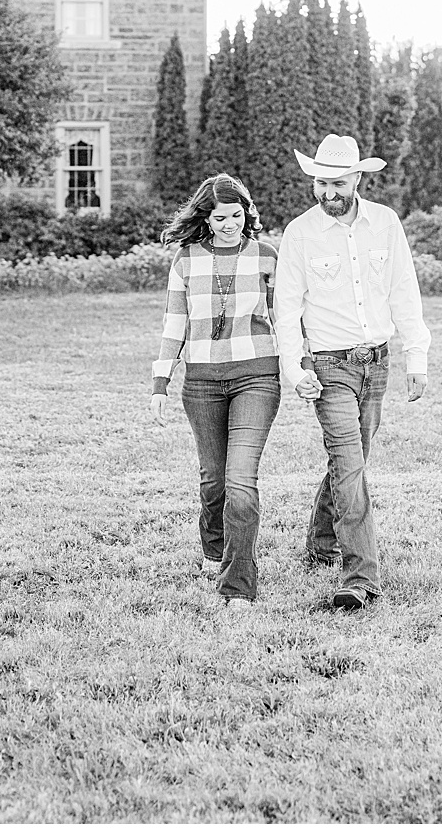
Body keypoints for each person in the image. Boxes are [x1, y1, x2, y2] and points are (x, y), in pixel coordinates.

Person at [273, 133, 430, 611]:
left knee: (352, 460)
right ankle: (360, 577)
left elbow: (404, 289)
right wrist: (293, 366)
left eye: (337, 183)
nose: (327, 194)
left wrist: (416, 355)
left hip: (377, 363)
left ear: (358, 179)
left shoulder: (385, 223)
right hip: (328, 365)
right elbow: (286, 306)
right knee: (350, 463)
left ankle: (320, 541)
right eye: (320, 184)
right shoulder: (300, 232)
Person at [152, 174, 282, 613]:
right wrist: (161, 380)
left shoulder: (267, 256)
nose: (230, 224)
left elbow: (286, 316)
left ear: (248, 215)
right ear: (205, 218)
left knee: (241, 481)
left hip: (257, 376)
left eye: (237, 215)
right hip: (202, 382)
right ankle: (213, 549)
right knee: (214, 480)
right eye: (220, 217)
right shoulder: (186, 259)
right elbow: (175, 323)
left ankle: (238, 585)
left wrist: (301, 365)